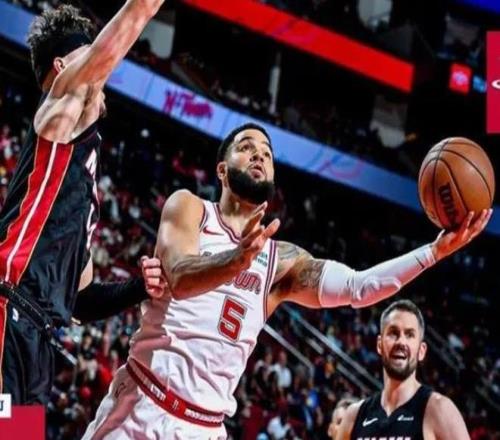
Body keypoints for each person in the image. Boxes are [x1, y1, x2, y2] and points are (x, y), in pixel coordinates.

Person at [85, 123, 490, 439]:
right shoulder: (190, 208)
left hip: (204, 428)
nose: (259, 155)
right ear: (222, 170)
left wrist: (433, 253)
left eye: (266, 153)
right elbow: (178, 276)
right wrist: (236, 259)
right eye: (247, 147)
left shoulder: (281, 261)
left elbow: (359, 287)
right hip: (141, 407)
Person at [0, 0, 165, 405]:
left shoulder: (80, 180)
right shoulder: (60, 111)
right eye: (87, 54)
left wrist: (140, 287)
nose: (102, 69)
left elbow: (82, 299)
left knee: (20, 435)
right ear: (61, 68)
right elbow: (137, 13)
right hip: (7, 306)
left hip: (38, 340)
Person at [335, 299, 471, 440]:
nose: (401, 342)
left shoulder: (439, 410)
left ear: (421, 351)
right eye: (393, 333)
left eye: (409, 335)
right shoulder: (354, 416)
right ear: (379, 345)